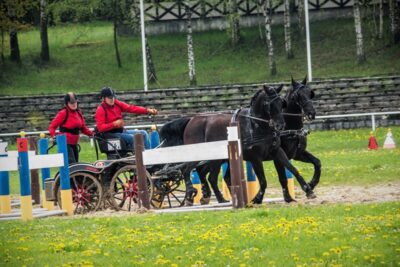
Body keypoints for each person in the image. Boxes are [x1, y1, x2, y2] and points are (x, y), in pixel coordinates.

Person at [49, 92, 94, 164]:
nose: (74, 104)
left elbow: (83, 128)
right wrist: (54, 136)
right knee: (72, 165)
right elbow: (52, 127)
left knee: (76, 165)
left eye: (75, 102)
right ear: (67, 103)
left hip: (74, 143)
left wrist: (93, 134)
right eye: (71, 103)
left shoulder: (78, 112)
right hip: (65, 143)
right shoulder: (63, 113)